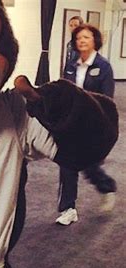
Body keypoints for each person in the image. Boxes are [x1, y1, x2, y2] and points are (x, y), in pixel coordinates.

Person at [56, 23, 117, 225]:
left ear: (95, 41)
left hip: (92, 125)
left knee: (88, 164)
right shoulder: (71, 65)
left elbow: (107, 99)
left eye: (86, 38)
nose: (81, 41)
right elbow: (64, 91)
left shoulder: (103, 67)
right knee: (66, 163)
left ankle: (106, 186)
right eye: (79, 38)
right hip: (71, 123)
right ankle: (68, 208)